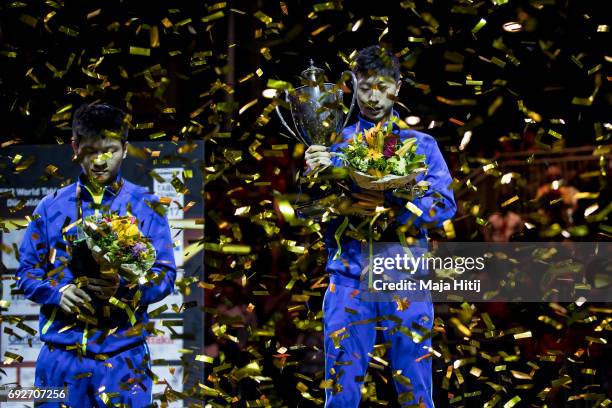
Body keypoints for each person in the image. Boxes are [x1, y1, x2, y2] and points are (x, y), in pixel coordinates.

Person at [304, 45, 456, 407]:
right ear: (352, 85)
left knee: (416, 391)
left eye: (383, 87)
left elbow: (444, 205)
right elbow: (306, 211)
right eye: (365, 87)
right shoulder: (330, 146)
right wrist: (315, 179)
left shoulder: (421, 145)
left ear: (398, 87)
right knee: (340, 393)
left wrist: (392, 207)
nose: (373, 97)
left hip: (406, 280)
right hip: (348, 281)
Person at [16, 103, 176, 407]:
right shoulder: (49, 208)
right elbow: (26, 273)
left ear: (125, 149)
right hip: (58, 360)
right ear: (75, 147)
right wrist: (57, 293)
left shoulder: (147, 206)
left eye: (111, 150)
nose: (101, 161)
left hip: (123, 361)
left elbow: (166, 275)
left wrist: (128, 289)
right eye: (90, 151)